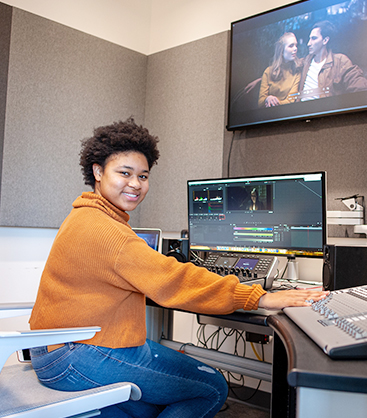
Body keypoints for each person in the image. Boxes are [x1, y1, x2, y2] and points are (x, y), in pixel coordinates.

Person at [28, 118, 328, 418]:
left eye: (143, 176)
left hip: (52, 350)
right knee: (211, 387)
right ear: (97, 171)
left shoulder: (82, 215)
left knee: (149, 407)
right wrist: (257, 297)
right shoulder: (107, 232)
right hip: (77, 354)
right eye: (125, 173)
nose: (135, 184)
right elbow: (172, 279)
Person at [299, 20, 367, 101]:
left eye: (314, 38)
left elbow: (360, 86)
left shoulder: (340, 61)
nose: (308, 43)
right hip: (301, 111)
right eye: (309, 39)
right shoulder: (305, 62)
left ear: (325, 40)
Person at [258, 32, 302, 108]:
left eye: (296, 45)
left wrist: (274, 103)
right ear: (281, 51)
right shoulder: (268, 71)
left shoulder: (296, 71)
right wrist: (267, 99)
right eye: (291, 46)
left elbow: (291, 101)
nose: (295, 49)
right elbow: (260, 102)